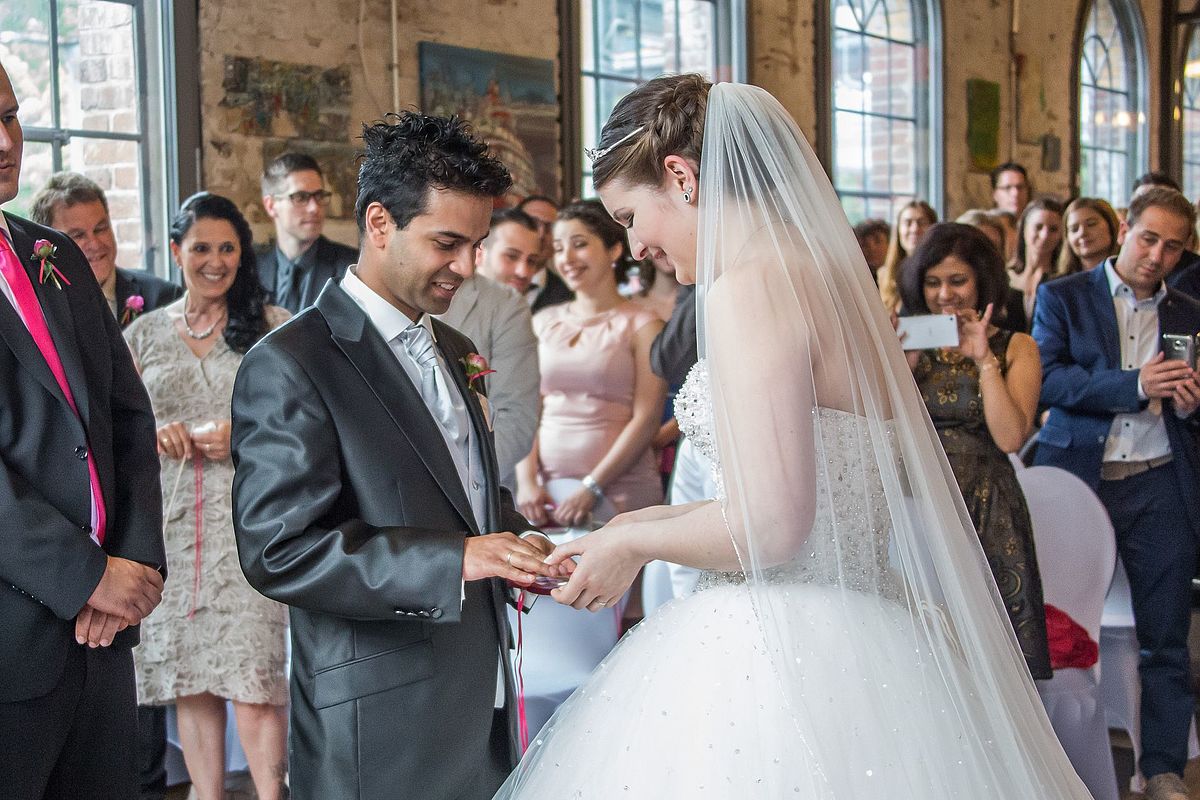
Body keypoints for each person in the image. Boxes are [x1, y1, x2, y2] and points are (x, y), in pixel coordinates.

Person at [494, 74, 1093, 799]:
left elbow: (774, 526)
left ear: (681, 177)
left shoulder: (750, 285)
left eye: (629, 216)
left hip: (781, 648)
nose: (636, 246)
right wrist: (630, 526)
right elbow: (799, 486)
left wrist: (633, 544)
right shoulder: (827, 277)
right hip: (875, 631)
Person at [231, 112, 562, 800]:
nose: (467, 267)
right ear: (379, 223)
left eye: (476, 245)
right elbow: (279, 551)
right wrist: (456, 560)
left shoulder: (456, 349)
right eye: (447, 243)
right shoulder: (293, 362)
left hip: (477, 696)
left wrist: (520, 544)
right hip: (378, 721)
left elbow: (462, 496)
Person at [0, 60, 166, 800]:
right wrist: (85, 577)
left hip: (101, 638)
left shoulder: (56, 254)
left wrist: (134, 559)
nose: (5, 140)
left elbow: (125, 415)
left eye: (9, 116)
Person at [1032, 186, 1200, 800]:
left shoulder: (1190, 310)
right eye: (1149, 239)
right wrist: (1134, 385)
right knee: (1055, 629)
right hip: (1079, 482)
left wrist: (1192, 404)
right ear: (1125, 229)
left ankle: (1163, 770)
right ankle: (1049, 760)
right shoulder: (1064, 296)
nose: (1157, 256)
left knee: (1165, 637)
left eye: (1173, 247)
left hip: (1160, 481)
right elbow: (1049, 379)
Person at [125, 193, 290, 800]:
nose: (215, 261)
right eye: (201, 248)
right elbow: (114, 427)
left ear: (242, 254)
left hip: (249, 526)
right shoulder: (143, 334)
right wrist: (154, 433)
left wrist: (241, 436)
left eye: (227, 248)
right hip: (169, 526)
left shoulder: (273, 326)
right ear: (176, 252)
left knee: (254, 678)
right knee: (192, 679)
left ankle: (272, 795)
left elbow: (303, 425)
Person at [897, 222, 1051, 678]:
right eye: (932, 282)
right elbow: (880, 427)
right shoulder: (905, 344)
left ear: (982, 281)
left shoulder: (1016, 345)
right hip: (913, 502)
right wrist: (899, 368)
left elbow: (1010, 438)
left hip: (986, 503)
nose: (945, 294)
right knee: (915, 649)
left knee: (990, 650)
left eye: (957, 280)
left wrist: (984, 360)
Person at [515, 199, 666, 529]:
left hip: (621, 489)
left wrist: (591, 487)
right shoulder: (542, 321)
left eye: (579, 244)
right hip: (546, 495)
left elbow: (646, 419)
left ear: (614, 250)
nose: (566, 258)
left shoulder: (644, 325)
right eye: (558, 248)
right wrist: (526, 480)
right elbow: (527, 409)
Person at [437, 208, 541, 490]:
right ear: (482, 250)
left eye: (532, 261)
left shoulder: (508, 305)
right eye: (511, 256)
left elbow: (516, 417)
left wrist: (462, 484)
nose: (524, 271)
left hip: (480, 483)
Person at [29, 172, 183, 328]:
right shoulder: (37, 308)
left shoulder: (163, 299)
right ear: (47, 245)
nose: (95, 244)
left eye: (100, 229)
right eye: (78, 235)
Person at [256, 152, 358, 313]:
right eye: (300, 197)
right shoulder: (252, 270)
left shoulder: (352, 269)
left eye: (319, 196)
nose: (314, 208)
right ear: (271, 205)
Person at [1007, 197, 1065, 332]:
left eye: (1053, 229)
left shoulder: (1064, 279)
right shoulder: (1004, 276)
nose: (1045, 235)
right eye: (1038, 227)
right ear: (1024, 229)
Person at [515, 194, 574, 312]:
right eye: (533, 223)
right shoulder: (484, 283)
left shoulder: (570, 298)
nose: (541, 235)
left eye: (550, 227)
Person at [876, 200, 936, 312]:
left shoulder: (940, 273)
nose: (914, 229)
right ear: (898, 230)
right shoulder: (884, 275)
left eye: (922, 223)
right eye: (908, 223)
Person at [1058, 196, 1120, 276]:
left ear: (1111, 226)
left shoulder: (1131, 278)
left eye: (1091, 224)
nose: (1082, 233)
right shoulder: (1058, 283)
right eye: (1074, 229)